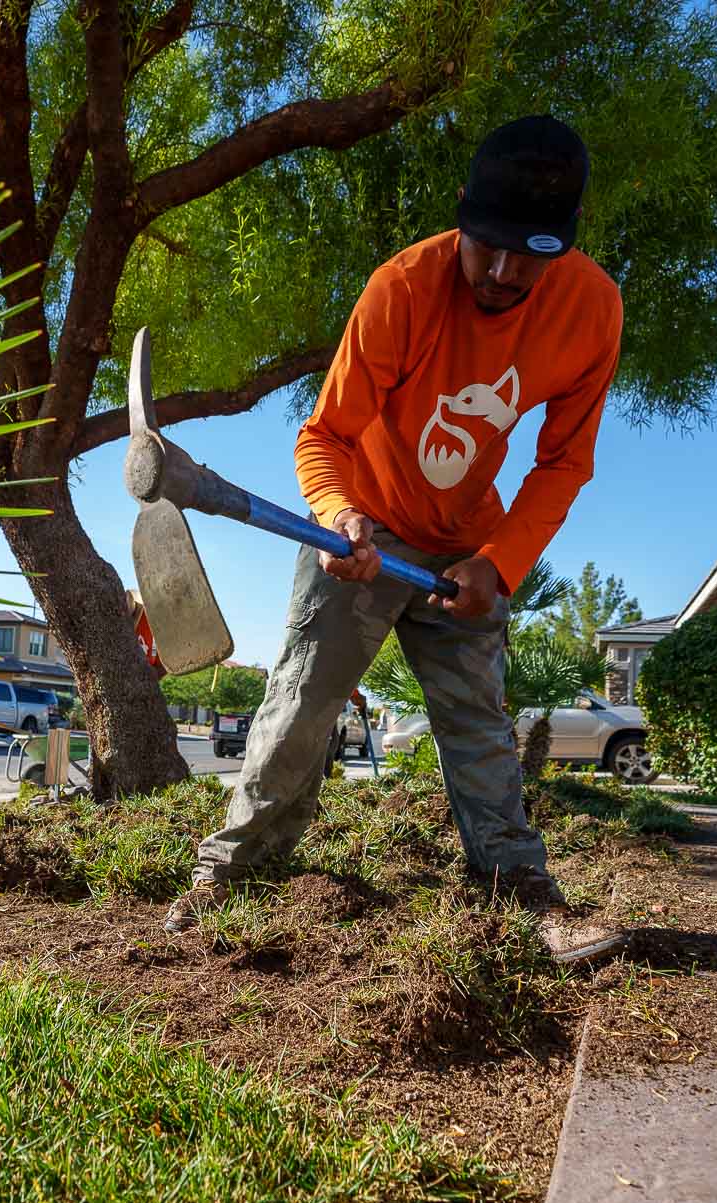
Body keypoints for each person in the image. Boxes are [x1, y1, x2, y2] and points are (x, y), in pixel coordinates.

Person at [166, 116, 626, 964]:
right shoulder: (404, 287)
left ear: (564, 242)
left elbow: (563, 463)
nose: (500, 273)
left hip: (462, 556)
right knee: (300, 702)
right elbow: (323, 436)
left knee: (479, 725)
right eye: (484, 246)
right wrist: (342, 519)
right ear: (462, 215)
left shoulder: (591, 308)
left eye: (527, 255)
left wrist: (500, 563)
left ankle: (522, 892)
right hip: (361, 530)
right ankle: (230, 872)